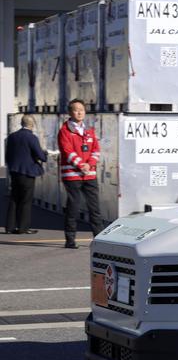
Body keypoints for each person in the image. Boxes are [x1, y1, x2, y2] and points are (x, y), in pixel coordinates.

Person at [58, 99, 104, 248]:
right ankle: (70, 240)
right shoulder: (64, 131)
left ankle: (99, 240)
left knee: (94, 208)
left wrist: (89, 164)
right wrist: (80, 164)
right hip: (72, 175)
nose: (79, 112)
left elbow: (96, 150)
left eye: (82, 110)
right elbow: (67, 151)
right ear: (70, 112)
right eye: (76, 110)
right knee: (73, 207)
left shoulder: (89, 131)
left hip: (89, 175)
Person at [4, 115, 46, 234]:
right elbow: (41, 156)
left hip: (14, 171)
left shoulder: (12, 136)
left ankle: (9, 227)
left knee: (14, 199)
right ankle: (23, 227)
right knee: (26, 201)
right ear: (32, 125)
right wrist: (45, 154)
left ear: (21, 123)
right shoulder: (32, 137)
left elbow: (8, 154)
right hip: (27, 172)